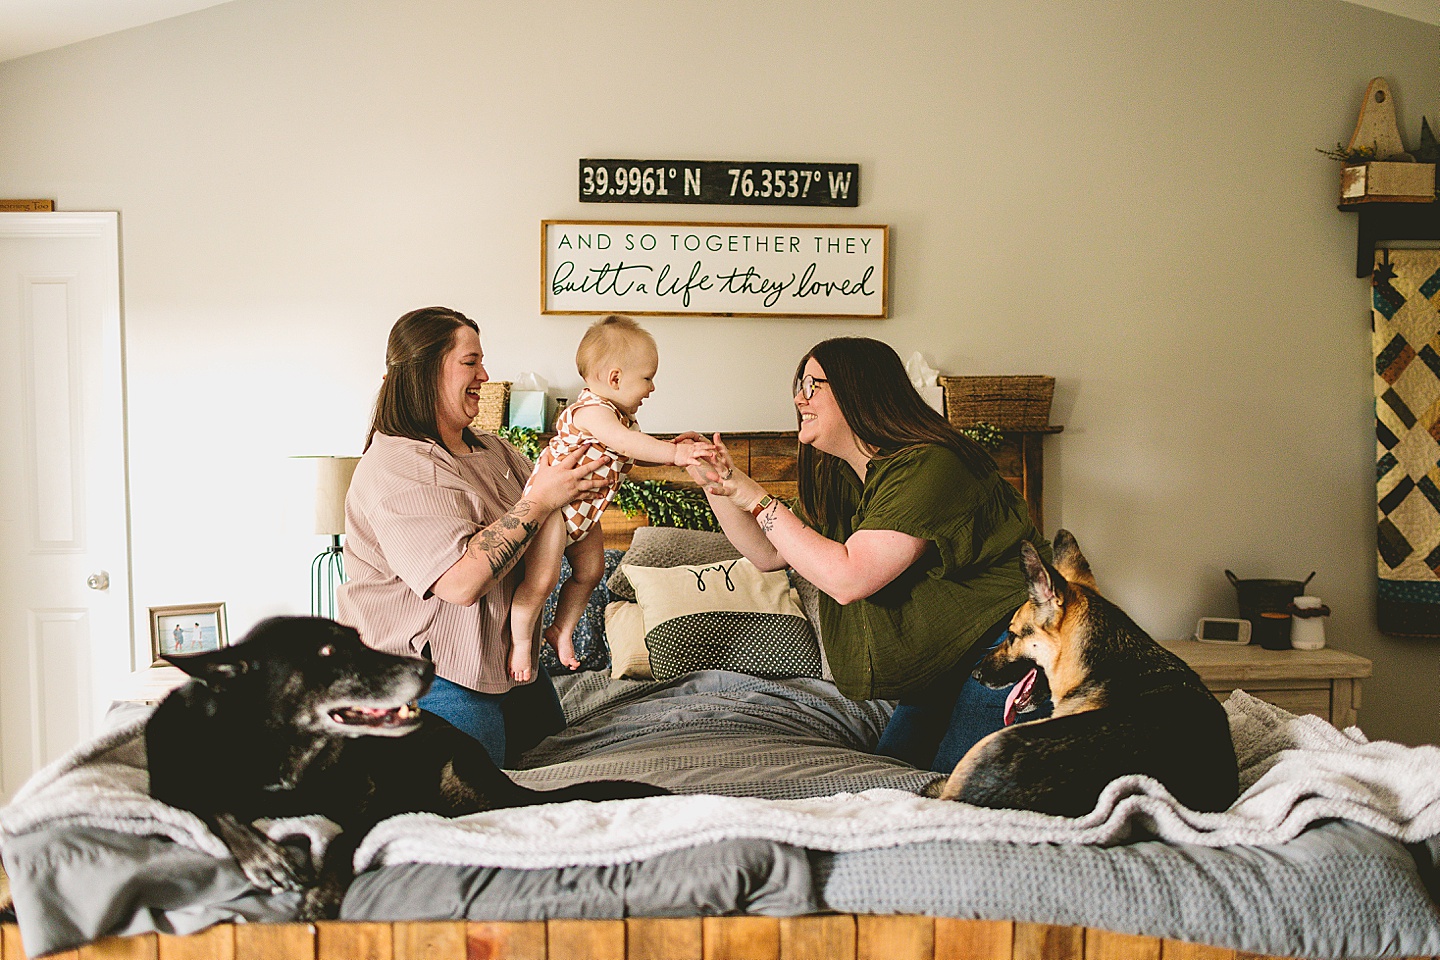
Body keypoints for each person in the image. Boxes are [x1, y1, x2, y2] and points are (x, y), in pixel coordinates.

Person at [686, 337, 1052, 774]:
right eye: (798, 385)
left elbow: (849, 579)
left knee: (958, 791)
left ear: (859, 391)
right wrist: (719, 483)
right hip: (942, 665)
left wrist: (757, 498)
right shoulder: (843, 479)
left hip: (1012, 649)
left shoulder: (932, 466)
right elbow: (768, 551)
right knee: (890, 779)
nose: (798, 397)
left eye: (812, 385)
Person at [336, 306, 610, 767]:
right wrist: (539, 501)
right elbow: (460, 583)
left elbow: (560, 507)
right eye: (471, 361)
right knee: (469, 807)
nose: (484, 374)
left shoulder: (493, 448)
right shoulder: (396, 465)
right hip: (432, 678)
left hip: (509, 669)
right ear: (424, 371)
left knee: (560, 778)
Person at [507, 315, 712, 681]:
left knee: (592, 572)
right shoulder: (592, 412)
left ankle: (561, 629)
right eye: (647, 377)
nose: (652, 387)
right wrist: (673, 454)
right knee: (542, 580)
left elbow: (637, 451)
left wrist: (675, 447)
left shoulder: (622, 420)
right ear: (615, 378)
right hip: (554, 510)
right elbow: (625, 444)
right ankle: (522, 642)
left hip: (585, 516)